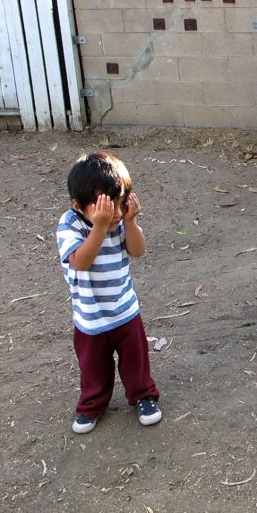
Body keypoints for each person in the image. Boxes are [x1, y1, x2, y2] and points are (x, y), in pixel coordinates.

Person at [56, 152, 161, 434]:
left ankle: (143, 395)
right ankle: (92, 406)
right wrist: (99, 227)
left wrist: (130, 221)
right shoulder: (70, 225)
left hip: (125, 309)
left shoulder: (119, 221)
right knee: (94, 368)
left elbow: (137, 251)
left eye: (120, 202)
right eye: (104, 205)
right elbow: (80, 260)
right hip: (90, 317)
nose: (114, 211)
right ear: (78, 205)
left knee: (136, 359)